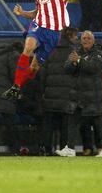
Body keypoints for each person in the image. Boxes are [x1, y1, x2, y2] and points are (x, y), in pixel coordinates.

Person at [1, 0, 91, 100]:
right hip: (38, 26)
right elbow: (37, 13)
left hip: (54, 33)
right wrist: (22, 13)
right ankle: (15, 86)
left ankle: (18, 88)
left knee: (34, 68)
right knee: (28, 47)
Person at [55, 30, 102, 157]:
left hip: (94, 95)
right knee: (72, 121)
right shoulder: (76, 53)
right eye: (83, 38)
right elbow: (66, 68)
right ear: (80, 40)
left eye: (88, 38)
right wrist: (74, 63)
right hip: (78, 95)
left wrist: (79, 61)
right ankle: (70, 149)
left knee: (99, 121)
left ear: (93, 40)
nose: (86, 40)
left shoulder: (99, 54)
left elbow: (93, 68)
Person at [40, 27, 78, 155]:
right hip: (66, 96)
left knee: (48, 125)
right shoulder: (73, 53)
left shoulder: (50, 51)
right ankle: (64, 150)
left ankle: (46, 150)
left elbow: (43, 75)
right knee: (65, 126)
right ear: (70, 36)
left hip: (50, 95)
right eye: (75, 36)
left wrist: (44, 92)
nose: (76, 38)